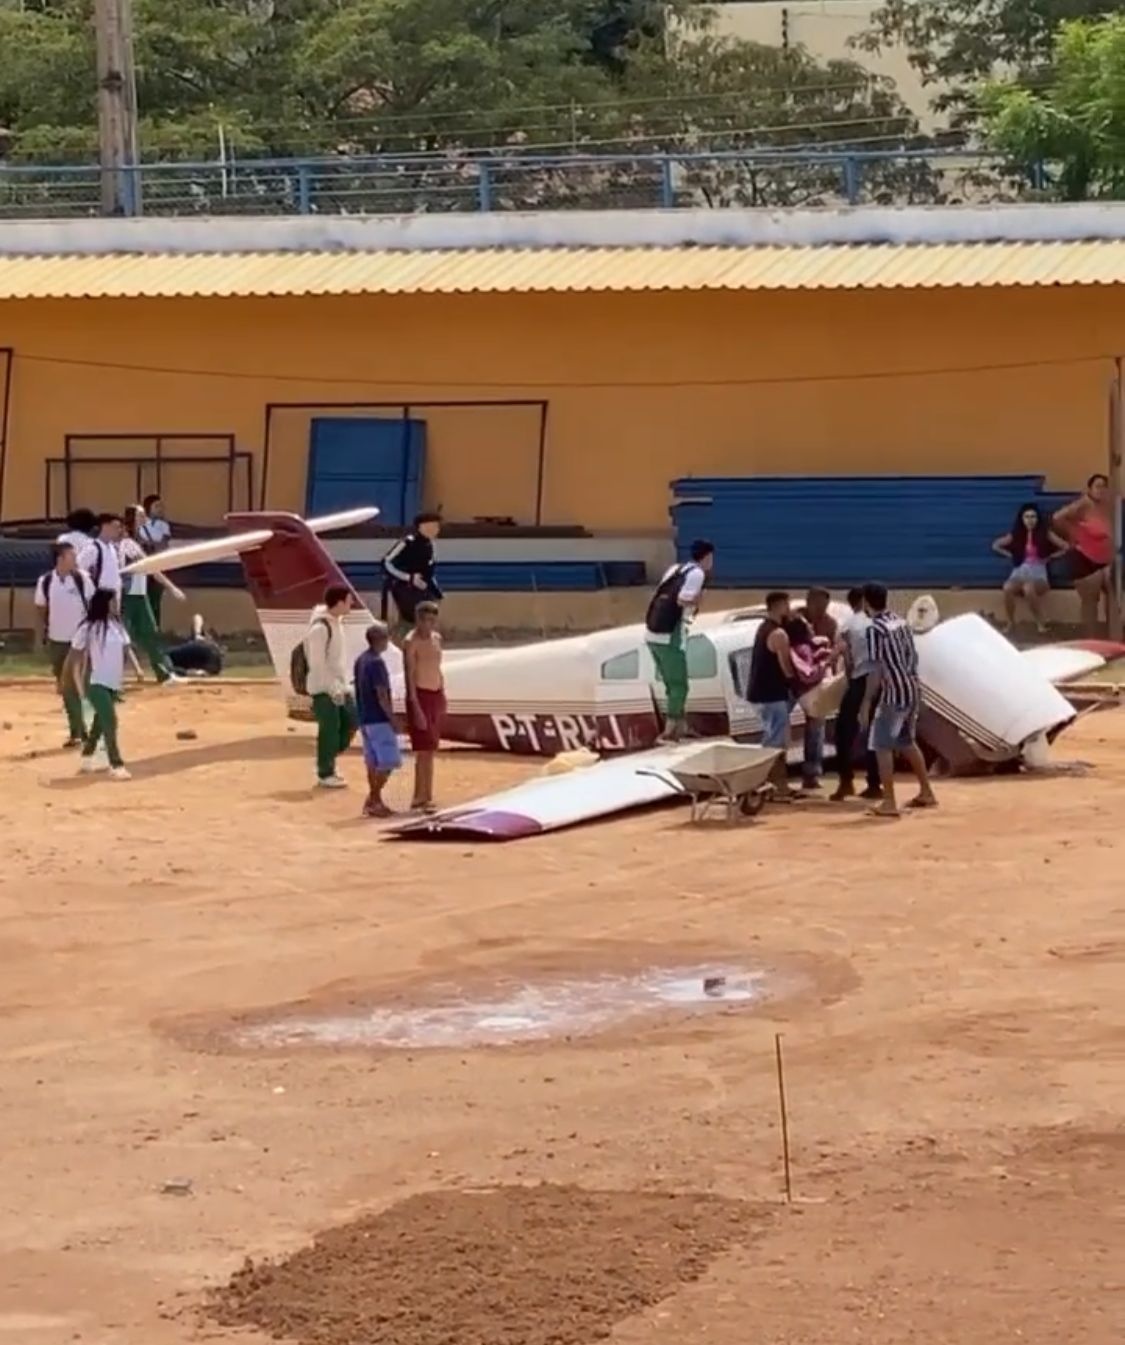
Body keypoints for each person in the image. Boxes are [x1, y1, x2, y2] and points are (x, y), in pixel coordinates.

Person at [859, 582, 937, 818]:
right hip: (911, 689)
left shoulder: (875, 630)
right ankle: (926, 791)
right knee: (906, 742)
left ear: (865, 602)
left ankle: (889, 801)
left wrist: (865, 702)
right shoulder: (901, 623)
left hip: (893, 694)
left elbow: (876, 669)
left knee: (882, 745)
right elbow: (912, 657)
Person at [644, 539, 715, 743]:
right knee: (680, 686)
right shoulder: (697, 574)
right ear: (707, 557)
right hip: (669, 636)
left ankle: (680, 727)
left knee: (671, 684)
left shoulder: (676, 569)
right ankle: (669, 732)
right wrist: (698, 599)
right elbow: (682, 599)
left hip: (652, 633)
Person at [66, 587, 132, 781]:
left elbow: (126, 650)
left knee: (100, 722)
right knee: (110, 720)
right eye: (113, 601)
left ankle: (87, 754)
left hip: (112, 681)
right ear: (104, 604)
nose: (117, 605)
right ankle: (116, 764)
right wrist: (78, 684)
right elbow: (75, 658)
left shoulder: (118, 626)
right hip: (94, 681)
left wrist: (129, 673)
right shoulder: (88, 628)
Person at [34, 541, 93, 748]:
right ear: (60, 558)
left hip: (79, 642)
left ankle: (82, 731)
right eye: (71, 555)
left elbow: (94, 606)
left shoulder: (82, 579)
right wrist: (42, 635)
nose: (75, 559)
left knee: (73, 686)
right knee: (66, 687)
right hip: (57, 641)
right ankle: (78, 731)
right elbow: (41, 608)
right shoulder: (46, 581)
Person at [118, 504, 184, 683]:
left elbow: (151, 568)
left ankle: (163, 673)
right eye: (140, 516)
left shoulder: (136, 543)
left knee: (150, 633)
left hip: (139, 594)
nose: (144, 518)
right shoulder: (124, 544)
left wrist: (171, 587)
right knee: (120, 637)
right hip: (127, 595)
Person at [831, 586, 882, 803]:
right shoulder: (883, 622)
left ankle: (846, 781)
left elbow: (842, 653)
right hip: (884, 680)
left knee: (843, 732)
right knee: (876, 733)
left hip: (861, 680)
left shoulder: (850, 623)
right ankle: (874, 783)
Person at [747, 591, 799, 802]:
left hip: (763, 695)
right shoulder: (778, 634)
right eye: (787, 605)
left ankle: (780, 786)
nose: (789, 609)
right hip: (772, 695)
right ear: (779, 606)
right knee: (774, 744)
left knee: (776, 741)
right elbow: (786, 668)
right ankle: (767, 786)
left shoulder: (763, 628)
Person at [303, 584, 356, 789]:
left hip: (340, 687)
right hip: (324, 690)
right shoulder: (320, 629)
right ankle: (326, 771)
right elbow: (317, 664)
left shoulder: (337, 624)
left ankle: (327, 759)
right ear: (340, 602)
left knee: (351, 720)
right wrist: (332, 688)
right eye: (349, 600)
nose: (351, 604)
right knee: (330, 730)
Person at [991, 503, 1068, 635]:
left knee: (1028, 588)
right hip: (1019, 571)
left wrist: (1050, 557)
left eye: (1033, 517)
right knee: (1007, 588)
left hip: (1038, 573)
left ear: (1038, 519)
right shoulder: (1016, 534)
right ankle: (1010, 622)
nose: (1030, 520)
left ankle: (1040, 622)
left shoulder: (1045, 534)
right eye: (1027, 517)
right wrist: (1010, 554)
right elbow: (996, 545)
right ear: (1021, 519)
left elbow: (1065, 546)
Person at [1053, 474, 1114, 635]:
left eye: (1104, 486)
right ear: (1090, 489)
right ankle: (1090, 639)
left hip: (1103, 558)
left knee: (1112, 596)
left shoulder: (1105, 505)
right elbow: (1058, 518)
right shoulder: (1082, 504)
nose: (1101, 490)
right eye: (1097, 486)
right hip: (1084, 558)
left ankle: (1113, 637)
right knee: (1090, 601)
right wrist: (1074, 535)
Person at [354, 622, 401, 818]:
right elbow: (381, 694)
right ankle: (373, 799)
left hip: (365, 718)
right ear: (380, 640)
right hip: (378, 719)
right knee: (389, 761)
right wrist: (393, 718)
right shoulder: (376, 663)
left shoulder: (361, 660)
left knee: (372, 762)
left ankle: (375, 801)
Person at [404, 600, 446, 812]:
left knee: (431, 749)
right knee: (422, 749)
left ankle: (427, 795)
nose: (429, 625)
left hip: (435, 694)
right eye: (426, 620)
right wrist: (415, 706)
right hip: (419, 696)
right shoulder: (411, 642)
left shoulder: (437, 639)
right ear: (418, 620)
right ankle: (418, 797)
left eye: (433, 620)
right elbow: (410, 676)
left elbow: (438, 668)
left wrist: (442, 694)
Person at [795, 587, 837, 790]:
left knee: (816, 726)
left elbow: (832, 654)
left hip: (815, 680)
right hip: (794, 679)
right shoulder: (796, 619)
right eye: (818, 605)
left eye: (824, 606)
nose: (821, 609)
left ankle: (811, 773)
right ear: (809, 601)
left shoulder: (830, 624)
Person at [381, 512, 444, 634]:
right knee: (409, 621)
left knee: (426, 620)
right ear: (423, 527)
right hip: (404, 588)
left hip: (423, 590)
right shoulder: (407, 542)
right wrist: (409, 578)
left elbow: (429, 571)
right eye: (433, 526)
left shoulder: (431, 546)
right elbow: (386, 563)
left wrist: (436, 591)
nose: (437, 530)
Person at [138, 495, 172, 627]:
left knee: (154, 600)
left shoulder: (163, 525)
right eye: (156, 506)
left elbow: (157, 539)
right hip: (140, 569)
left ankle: (154, 629)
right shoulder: (139, 525)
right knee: (138, 599)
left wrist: (144, 525)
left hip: (158, 566)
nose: (160, 509)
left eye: (161, 506)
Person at [77, 512, 124, 602]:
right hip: (98, 595)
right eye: (116, 527)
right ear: (105, 526)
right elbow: (79, 568)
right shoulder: (93, 548)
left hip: (114, 596)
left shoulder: (113, 548)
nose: (119, 530)